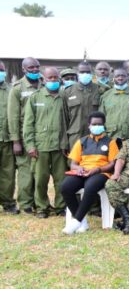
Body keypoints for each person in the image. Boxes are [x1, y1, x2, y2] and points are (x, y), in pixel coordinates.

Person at [60, 111, 119, 234]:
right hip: (83, 171)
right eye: (94, 124)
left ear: (104, 125)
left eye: (99, 124)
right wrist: (78, 169)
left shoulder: (111, 142)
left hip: (101, 172)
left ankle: (76, 221)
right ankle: (83, 222)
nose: (97, 127)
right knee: (66, 187)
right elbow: (73, 164)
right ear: (89, 125)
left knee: (90, 186)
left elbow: (112, 164)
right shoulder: (82, 141)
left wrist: (98, 169)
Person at [24, 66, 68, 218]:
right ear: (44, 79)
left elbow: (68, 122)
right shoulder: (35, 97)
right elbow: (28, 123)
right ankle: (42, 208)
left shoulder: (64, 97)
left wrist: (66, 143)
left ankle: (61, 207)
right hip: (40, 146)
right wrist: (30, 145)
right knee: (41, 179)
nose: (53, 80)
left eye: (56, 77)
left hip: (59, 146)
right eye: (50, 78)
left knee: (61, 179)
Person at [8, 57, 42, 214]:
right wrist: (16, 141)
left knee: (39, 171)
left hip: (41, 136)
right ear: (23, 69)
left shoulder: (44, 84)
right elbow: (13, 116)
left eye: (37, 67)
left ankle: (38, 201)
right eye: (31, 67)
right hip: (24, 136)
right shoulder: (17, 88)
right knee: (26, 172)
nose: (35, 70)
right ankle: (25, 203)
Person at [63, 61, 108, 151]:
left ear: (92, 73)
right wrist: (64, 143)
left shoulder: (101, 89)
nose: (85, 74)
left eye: (88, 72)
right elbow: (64, 119)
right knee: (74, 163)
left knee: (96, 161)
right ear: (77, 73)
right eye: (82, 72)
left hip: (97, 135)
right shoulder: (68, 91)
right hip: (75, 136)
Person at [100, 69, 129, 141]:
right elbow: (101, 118)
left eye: (123, 76)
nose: (120, 78)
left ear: (127, 77)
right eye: (117, 76)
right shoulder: (106, 96)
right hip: (111, 138)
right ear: (113, 77)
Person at [0, 61, 19, 214]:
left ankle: (8, 203)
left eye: (1, 70)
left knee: (8, 173)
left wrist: (15, 139)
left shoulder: (11, 90)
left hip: (7, 139)